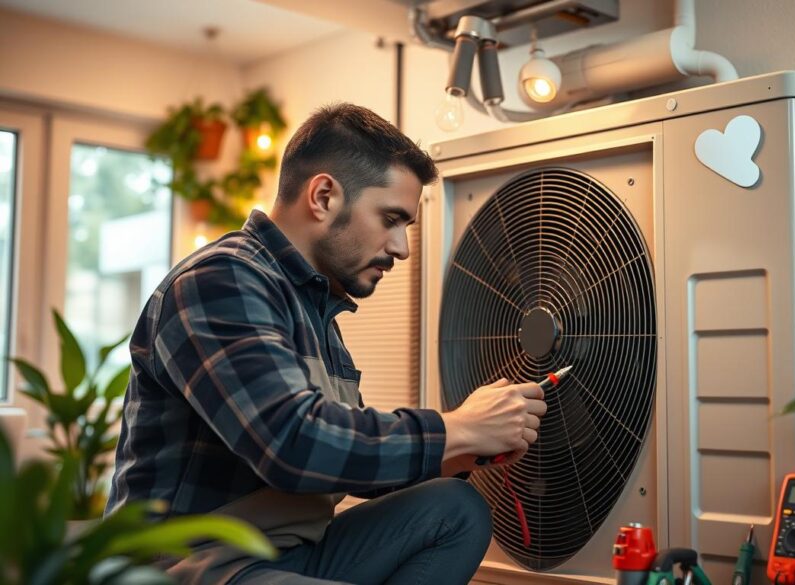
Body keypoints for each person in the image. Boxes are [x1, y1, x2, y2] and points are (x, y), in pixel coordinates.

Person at [105, 103, 548, 585]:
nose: (402, 247)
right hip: (190, 565)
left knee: (454, 509)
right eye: (391, 218)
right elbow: (292, 443)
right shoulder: (219, 282)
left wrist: (465, 452)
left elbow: (343, 456)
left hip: (289, 554)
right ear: (323, 197)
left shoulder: (317, 310)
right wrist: (456, 428)